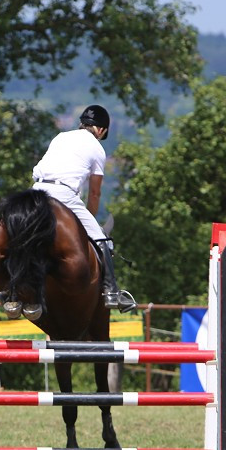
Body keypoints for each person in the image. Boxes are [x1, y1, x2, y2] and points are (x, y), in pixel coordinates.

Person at [31, 104, 137, 313]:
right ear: (101, 130)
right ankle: (111, 292)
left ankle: (13, 289)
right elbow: (95, 193)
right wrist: (89, 219)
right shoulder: (97, 147)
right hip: (63, 195)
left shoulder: (61, 137)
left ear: (82, 123)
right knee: (103, 240)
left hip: (36, 191)